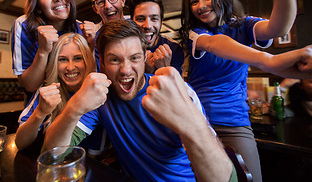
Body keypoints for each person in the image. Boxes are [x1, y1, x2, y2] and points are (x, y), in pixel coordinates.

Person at [179, 0, 312, 181]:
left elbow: (276, 27)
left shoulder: (243, 25)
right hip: (197, 123)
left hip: (234, 123)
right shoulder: (194, 34)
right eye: (194, 1)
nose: (201, 6)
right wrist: (269, 61)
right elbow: (215, 44)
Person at [44, 19, 235, 182]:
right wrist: (74, 107)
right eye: (115, 60)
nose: (126, 69)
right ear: (101, 61)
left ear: (145, 57)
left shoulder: (175, 90)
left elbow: (225, 178)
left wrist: (190, 123)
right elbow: (54, 153)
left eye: (134, 58)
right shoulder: (100, 97)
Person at [15, 33, 96, 150]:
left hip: (84, 163)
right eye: (62, 59)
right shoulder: (48, 90)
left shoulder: (94, 93)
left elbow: (55, 152)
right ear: (54, 63)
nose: (70, 67)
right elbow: (20, 143)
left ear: (87, 61)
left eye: (77, 58)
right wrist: (40, 112)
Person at [11, 0, 82, 98]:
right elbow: (30, 85)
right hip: (40, 105)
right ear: (37, 6)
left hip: (76, 100)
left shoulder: (80, 28)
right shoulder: (23, 25)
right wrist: (43, 51)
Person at [130, 0, 185, 74]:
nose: (148, 26)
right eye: (141, 19)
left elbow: (178, 86)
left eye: (154, 19)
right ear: (132, 21)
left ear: (161, 22)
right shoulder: (126, 48)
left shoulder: (174, 48)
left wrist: (165, 68)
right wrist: (144, 72)